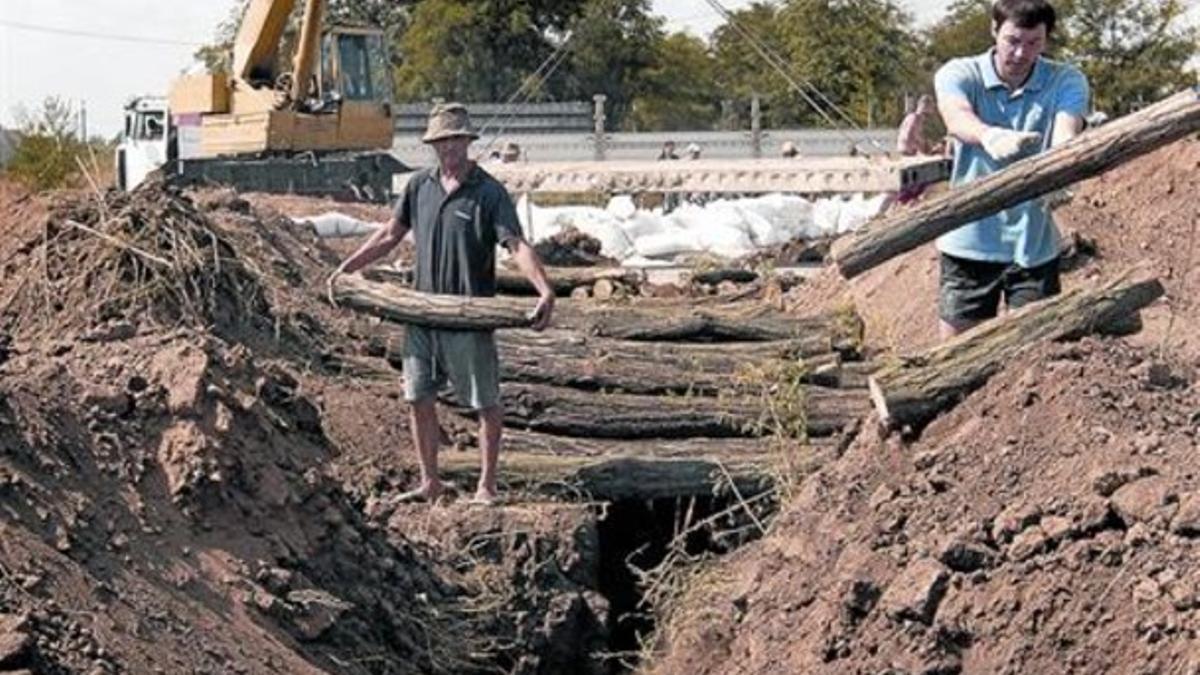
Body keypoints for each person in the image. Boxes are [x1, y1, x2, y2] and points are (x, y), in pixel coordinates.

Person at [328, 103, 555, 505]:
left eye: (455, 139)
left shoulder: (488, 192)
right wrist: (346, 267)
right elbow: (388, 235)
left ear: (467, 142)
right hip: (421, 316)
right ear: (433, 145)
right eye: (441, 141)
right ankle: (429, 480)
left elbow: (515, 244)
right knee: (418, 397)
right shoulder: (420, 187)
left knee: (485, 402)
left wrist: (543, 289)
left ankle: (486, 486)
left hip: (468, 317)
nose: (448, 147)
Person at [933, 0, 1088, 340]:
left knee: (1038, 350)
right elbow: (956, 116)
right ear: (994, 30)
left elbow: (1066, 130)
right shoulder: (961, 73)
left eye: (1033, 43)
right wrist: (988, 135)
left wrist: (1060, 168)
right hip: (969, 239)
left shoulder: (1065, 79)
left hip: (1034, 243)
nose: (1020, 53)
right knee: (955, 354)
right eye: (1013, 41)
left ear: (1046, 39)